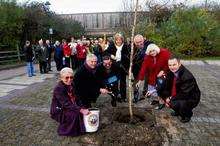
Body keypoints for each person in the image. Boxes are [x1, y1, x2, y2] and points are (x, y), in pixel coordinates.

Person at [158, 55, 201, 123]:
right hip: (178, 92)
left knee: (177, 103)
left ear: (179, 64)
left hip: (190, 97)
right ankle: (177, 110)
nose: (172, 67)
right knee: (160, 90)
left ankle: (187, 115)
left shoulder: (187, 77)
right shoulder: (170, 72)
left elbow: (184, 94)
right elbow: (166, 85)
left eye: (174, 64)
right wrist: (164, 96)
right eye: (170, 65)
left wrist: (170, 99)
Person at [50, 67, 90, 136]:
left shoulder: (72, 84)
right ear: (61, 78)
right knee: (75, 114)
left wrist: (82, 107)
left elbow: (77, 98)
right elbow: (66, 104)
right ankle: (66, 130)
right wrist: (80, 110)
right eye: (66, 78)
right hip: (60, 109)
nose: (69, 80)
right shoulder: (58, 88)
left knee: (85, 108)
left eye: (71, 77)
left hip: (70, 104)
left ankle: (81, 127)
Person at [136, 44, 171, 109]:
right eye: (150, 52)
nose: (152, 53)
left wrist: (163, 71)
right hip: (153, 75)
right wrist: (140, 80)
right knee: (153, 89)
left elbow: (169, 63)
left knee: (160, 88)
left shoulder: (164, 53)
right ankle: (157, 100)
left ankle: (162, 102)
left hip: (163, 75)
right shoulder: (147, 57)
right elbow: (143, 68)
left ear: (156, 49)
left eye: (153, 51)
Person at [105, 33, 130, 102]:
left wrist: (125, 58)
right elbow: (105, 53)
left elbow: (129, 55)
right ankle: (115, 96)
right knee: (114, 81)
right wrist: (111, 55)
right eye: (117, 40)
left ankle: (123, 96)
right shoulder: (112, 46)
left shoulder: (126, 46)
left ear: (122, 40)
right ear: (115, 40)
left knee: (123, 82)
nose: (118, 41)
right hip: (114, 66)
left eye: (120, 40)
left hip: (122, 66)